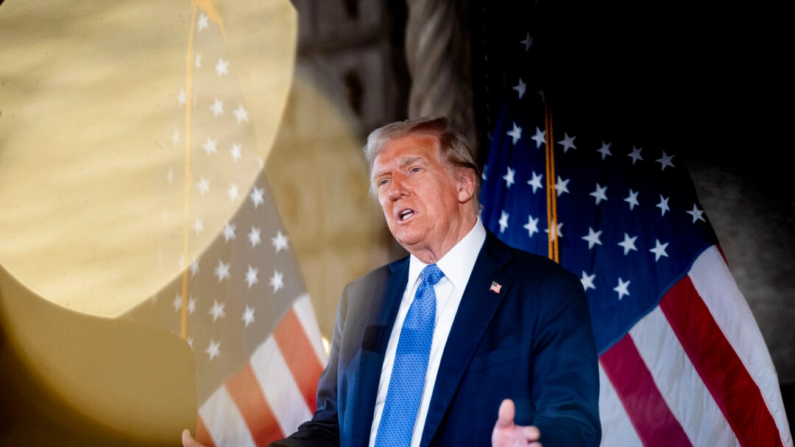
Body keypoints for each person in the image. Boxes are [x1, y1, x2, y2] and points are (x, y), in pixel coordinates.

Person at [183, 117, 600, 447]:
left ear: (463, 184)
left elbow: (572, 419)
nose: (394, 191)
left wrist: (535, 443)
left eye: (412, 170)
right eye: (382, 181)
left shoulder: (544, 291)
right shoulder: (362, 297)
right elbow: (332, 429)